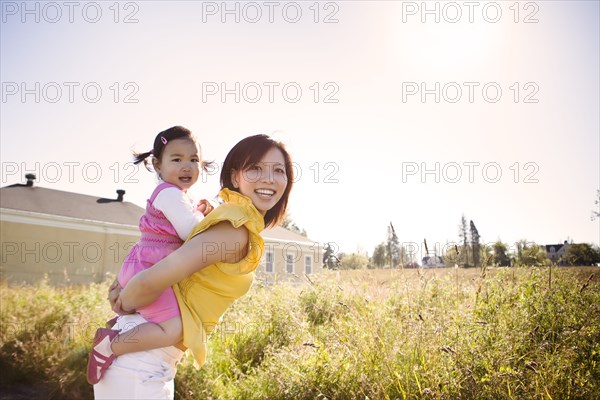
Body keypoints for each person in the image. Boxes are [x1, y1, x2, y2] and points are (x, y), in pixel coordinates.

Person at [94, 134, 293, 399]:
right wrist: (123, 301)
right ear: (235, 177)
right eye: (256, 168)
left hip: (149, 358)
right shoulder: (234, 229)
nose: (269, 178)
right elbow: (151, 278)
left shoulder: (231, 220)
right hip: (140, 362)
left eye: (278, 170)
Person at [87, 126, 215, 384]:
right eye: (177, 159)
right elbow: (190, 231)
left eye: (193, 160)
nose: (187, 166)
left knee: (163, 319)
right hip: (150, 266)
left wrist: (199, 210)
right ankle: (110, 345)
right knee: (173, 329)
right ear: (157, 165)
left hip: (143, 262)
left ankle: (129, 323)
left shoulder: (177, 196)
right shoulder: (169, 194)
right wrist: (206, 215)